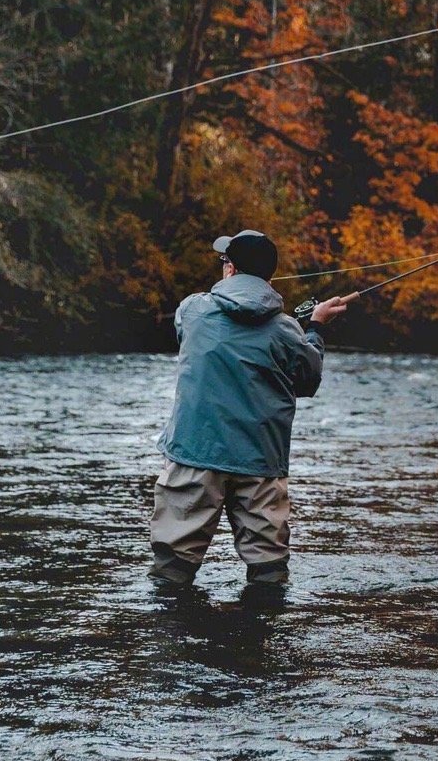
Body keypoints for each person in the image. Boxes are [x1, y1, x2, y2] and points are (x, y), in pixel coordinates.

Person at [149, 229, 354, 586]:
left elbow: (202, 336)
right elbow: (308, 379)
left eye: (223, 260)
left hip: (195, 454)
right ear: (269, 275)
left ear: (229, 269)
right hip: (260, 462)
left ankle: (172, 635)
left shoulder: (192, 310)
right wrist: (315, 328)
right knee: (269, 571)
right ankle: (260, 636)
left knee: (172, 568)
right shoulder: (286, 330)